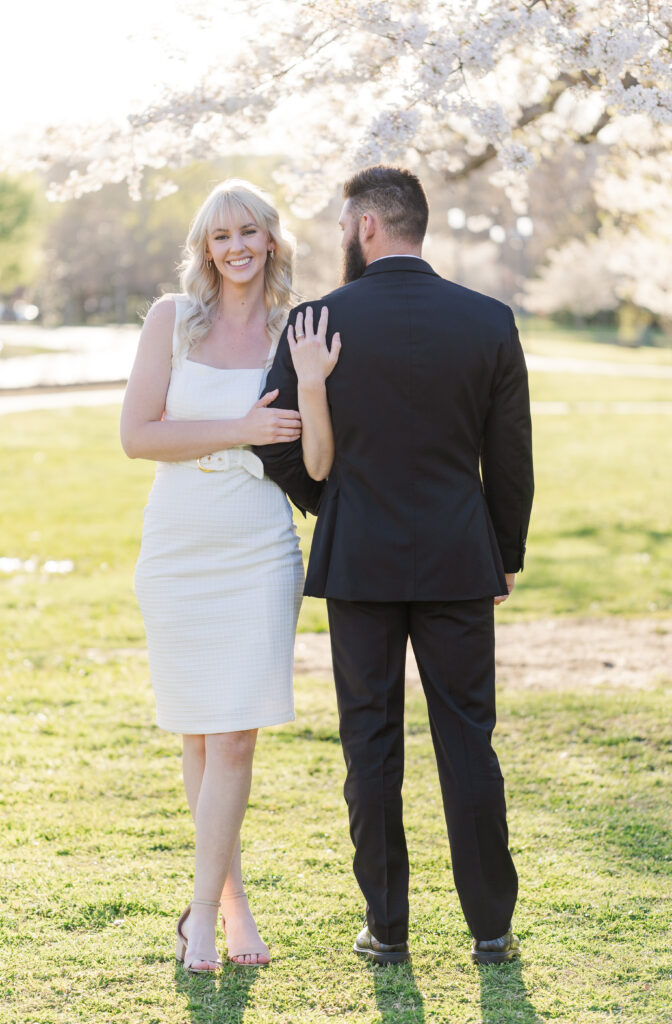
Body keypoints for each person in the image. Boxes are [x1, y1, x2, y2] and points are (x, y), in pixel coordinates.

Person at [255, 165, 534, 966]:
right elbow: (509, 460)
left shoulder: (316, 320)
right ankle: (491, 927)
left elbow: (273, 439)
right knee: (467, 740)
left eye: (347, 223)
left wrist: (327, 498)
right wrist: (503, 553)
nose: (343, 235)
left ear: (367, 225)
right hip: (457, 559)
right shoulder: (488, 320)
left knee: (370, 743)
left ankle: (387, 927)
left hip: (359, 562)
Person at [120, 179, 338, 972]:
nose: (237, 246)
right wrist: (243, 426)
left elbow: (318, 467)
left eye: (250, 232)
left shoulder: (300, 327)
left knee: (235, 736)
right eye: (221, 236)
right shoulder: (172, 321)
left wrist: (312, 386)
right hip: (179, 545)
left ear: (271, 240)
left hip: (258, 543)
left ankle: (201, 917)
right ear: (205, 248)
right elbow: (139, 437)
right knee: (201, 736)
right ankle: (228, 905)